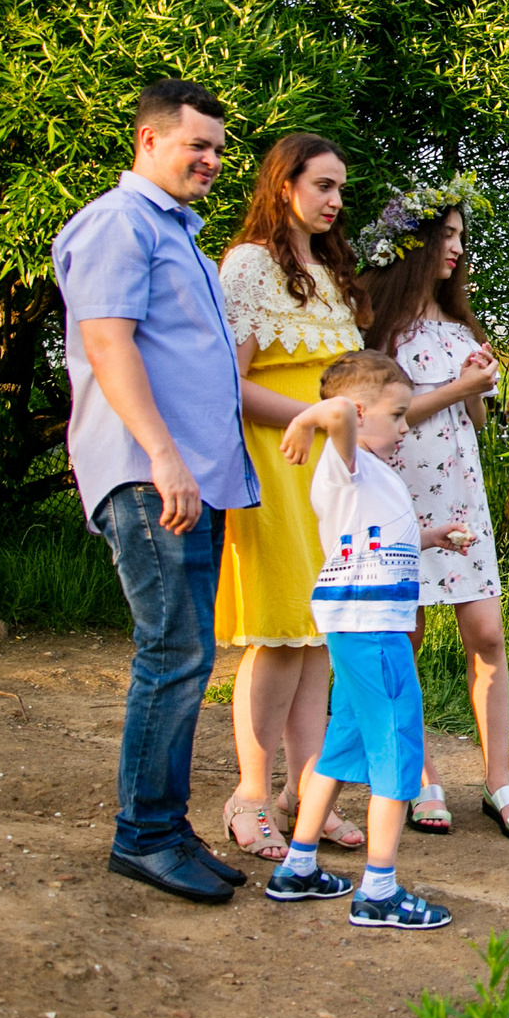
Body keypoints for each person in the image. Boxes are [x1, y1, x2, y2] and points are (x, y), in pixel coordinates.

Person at [52, 79, 258, 905]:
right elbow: (108, 344)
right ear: (148, 141)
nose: (209, 160)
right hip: (150, 476)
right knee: (172, 652)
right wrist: (164, 457)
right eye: (194, 145)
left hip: (187, 478)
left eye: (216, 148)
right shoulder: (119, 221)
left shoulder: (182, 237)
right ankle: (141, 835)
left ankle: (167, 826)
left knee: (188, 654)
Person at [357, 178, 509, 841]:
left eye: (463, 237)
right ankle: (421, 772)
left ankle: (498, 780)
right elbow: (388, 413)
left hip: (463, 498)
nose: (458, 248)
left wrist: (480, 382)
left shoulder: (459, 325)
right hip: (400, 497)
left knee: (487, 635)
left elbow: (477, 419)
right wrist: (461, 382)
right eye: (448, 235)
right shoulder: (378, 324)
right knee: (407, 636)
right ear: (415, 243)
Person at [212, 133, 375, 862]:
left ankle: (306, 794)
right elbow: (227, 380)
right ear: (285, 186)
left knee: (319, 640)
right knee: (279, 634)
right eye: (324, 187)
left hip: (332, 473)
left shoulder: (332, 272)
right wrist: (311, 418)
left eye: (342, 190)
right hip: (275, 461)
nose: (337, 202)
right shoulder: (248, 265)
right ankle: (248, 797)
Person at [264, 350, 463, 928]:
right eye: (398, 414)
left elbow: (377, 537)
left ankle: (298, 867)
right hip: (373, 628)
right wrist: (308, 417)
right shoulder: (343, 457)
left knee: (342, 744)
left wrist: (431, 536)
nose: (405, 426)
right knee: (398, 747)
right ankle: (379, 889)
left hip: (360, 625)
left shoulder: (372, 472)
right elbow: (341, 417)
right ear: (354, 412)